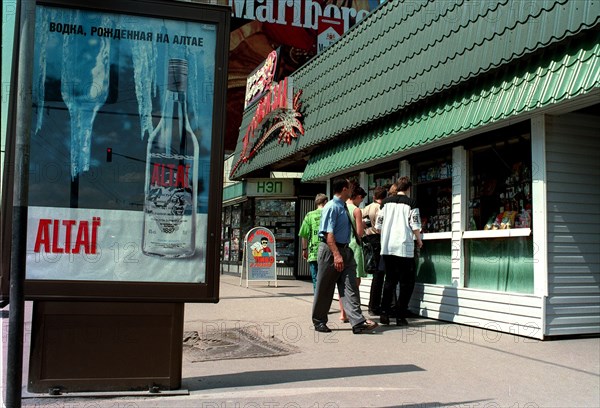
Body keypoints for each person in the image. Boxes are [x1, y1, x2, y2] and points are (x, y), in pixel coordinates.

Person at [312, 178, 378, 334]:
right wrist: (336, 255)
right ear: (343, 189)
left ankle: (357, 322)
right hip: (331, 250)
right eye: (349, 188)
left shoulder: (343, 206)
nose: (351, 190)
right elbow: (328, 234)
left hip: (346, 250)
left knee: (351, 286)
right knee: (325, 287)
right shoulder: (331, 207)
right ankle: (319, 321)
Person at [375, 177, 423, 326]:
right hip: (404, 247)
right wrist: (419, 240)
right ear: (408, 188)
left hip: (388, 247)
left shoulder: (385, 203)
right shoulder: (411, 203)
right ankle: (400, 315)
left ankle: (384, 313)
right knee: (405, 283)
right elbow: (414, 224)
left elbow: (378, 226)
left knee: (389, 281)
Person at [339, 182, 367, 322]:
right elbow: (360, 233)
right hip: (354, 247)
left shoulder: (342, 207)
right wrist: (363, 225)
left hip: (342, 247)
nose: (361, 202)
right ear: (358, 196)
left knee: (343, 283)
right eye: (361, 199)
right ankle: (354, 313)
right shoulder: (356, 211)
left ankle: (343, 313)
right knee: (355, 282)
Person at [362, 185, 387, 315]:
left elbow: (360, 220)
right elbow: (380, 227)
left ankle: (373, 305)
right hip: (378, 239)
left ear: (374, 196)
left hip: (368, 238)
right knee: (379, 274)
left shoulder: (367, 208)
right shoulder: (380, 208)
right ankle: (375, 305)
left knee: (375, 273)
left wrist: (365, 230)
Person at [299, 193, 328, 291]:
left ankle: (317, 299)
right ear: (325, 202)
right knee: (326, 278)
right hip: (328, 251)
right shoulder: (329, 214)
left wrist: (304, 249)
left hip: (313, 252)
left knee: (316, 278)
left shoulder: (309, 215)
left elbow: (304, 235)